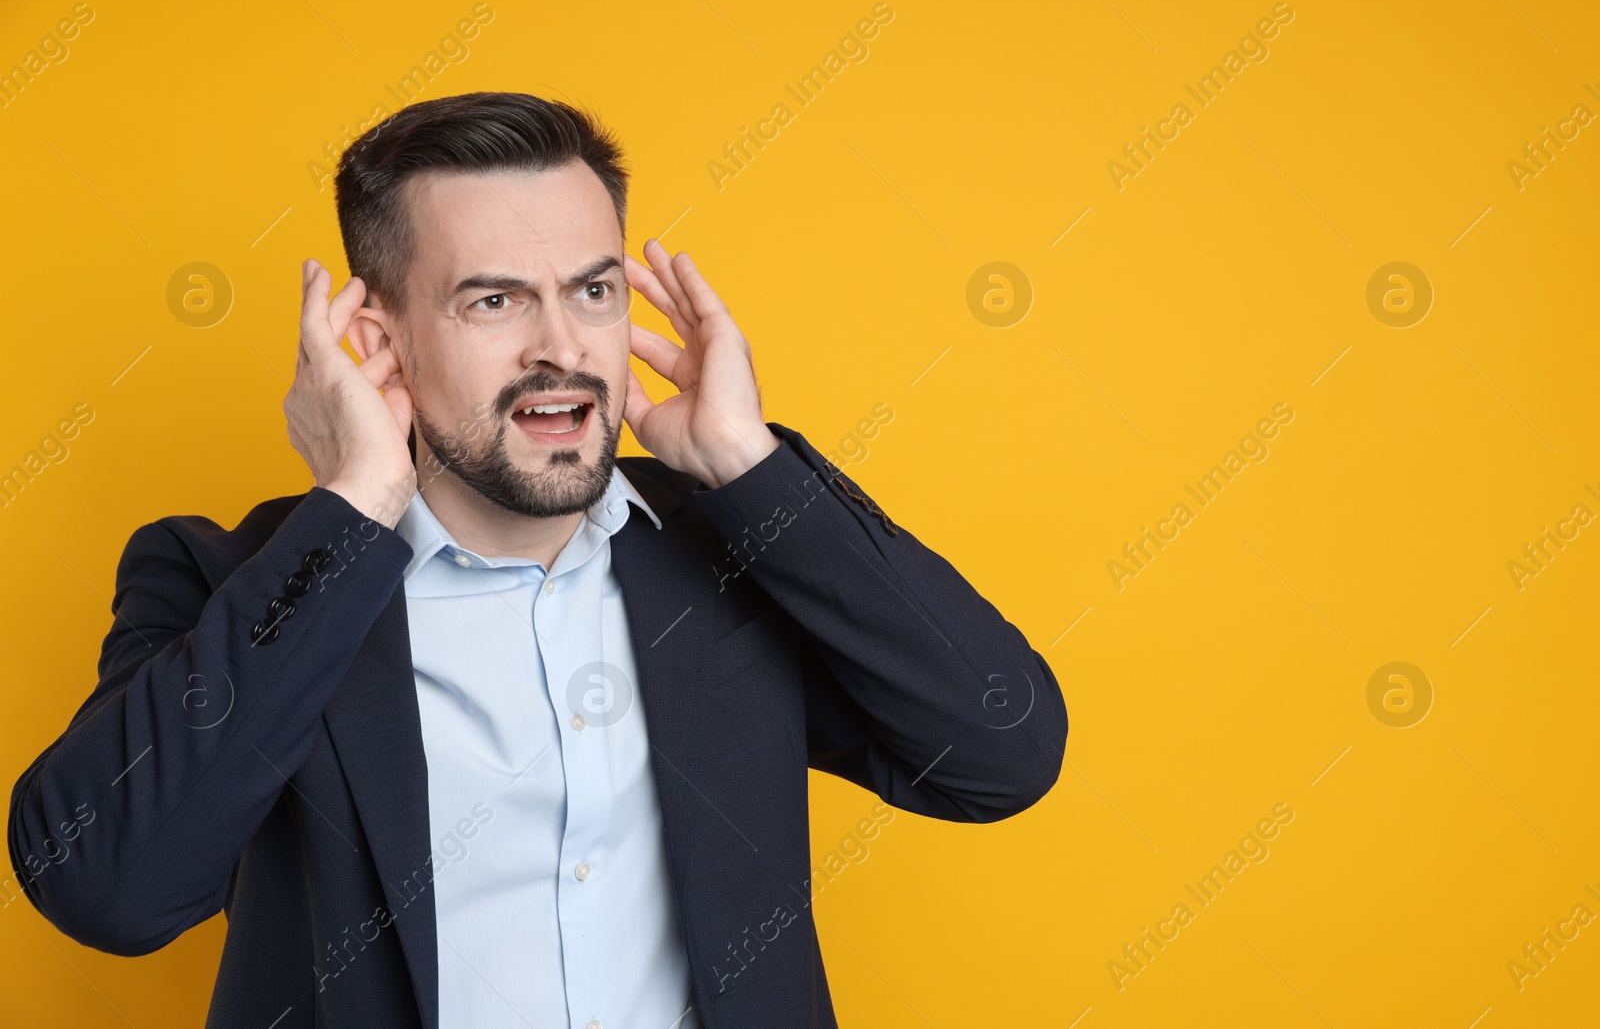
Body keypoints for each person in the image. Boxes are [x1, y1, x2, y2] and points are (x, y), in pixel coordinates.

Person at [7, 91, 1067, 1029]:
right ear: (379, 338)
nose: (560, 345)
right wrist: (356, 505)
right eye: (494, 299)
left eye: (593, 290)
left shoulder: (731, 552)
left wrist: (749, 465)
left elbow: (998, 750)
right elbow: (105, 889)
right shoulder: (226, 577)